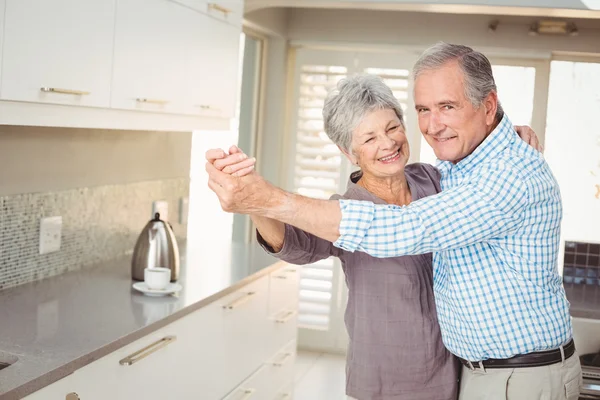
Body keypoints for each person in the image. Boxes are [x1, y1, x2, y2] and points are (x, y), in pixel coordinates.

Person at [207, 67, 549, 399]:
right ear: (348, 153)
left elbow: (480, 167)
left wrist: (507, 136)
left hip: (455, 371)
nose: (388, 144)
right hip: (384, 379)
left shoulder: (435, 180)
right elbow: (293, 244)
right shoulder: (340, 211)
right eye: (369, 138)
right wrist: (252, 200)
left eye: (393, 127)